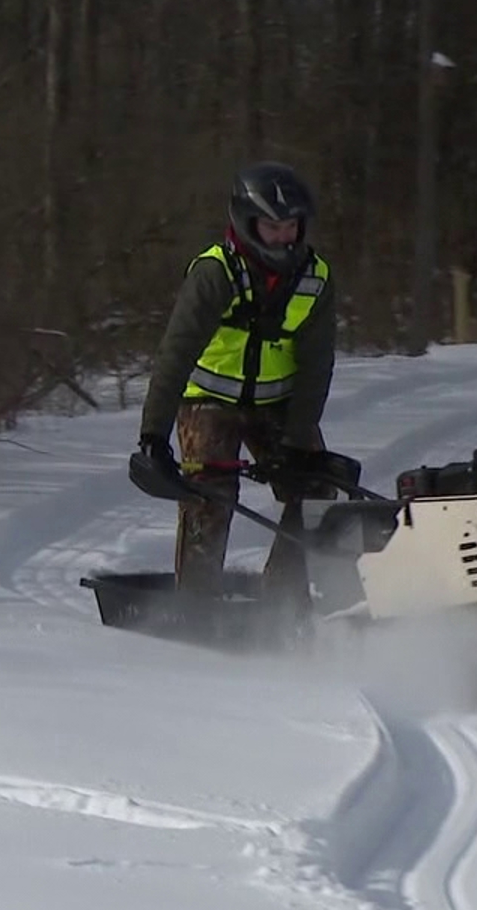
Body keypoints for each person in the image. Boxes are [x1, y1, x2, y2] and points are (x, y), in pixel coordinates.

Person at [137, 161, 339, 601]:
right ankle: (196, 602)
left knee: (319, 489)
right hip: (209, 401)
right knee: (209, 493)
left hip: (279, 405)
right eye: (272, 226)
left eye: (291, 226)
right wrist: (153, 436)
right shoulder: (216, 273)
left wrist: (297, 443)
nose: (284, 236)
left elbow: (316, 367)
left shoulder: (316, 278)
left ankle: (282, 598)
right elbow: (175, 354)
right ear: (248, 224)